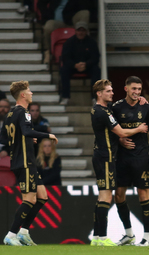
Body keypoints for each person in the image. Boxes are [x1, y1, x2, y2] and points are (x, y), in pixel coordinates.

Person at [90, 79, 148, 246]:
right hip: (105, 157)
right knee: (106, 197)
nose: (112, 93)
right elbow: (121, 131)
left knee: (102, 197)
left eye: (112, 90)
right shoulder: (103, 112)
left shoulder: (99, 110)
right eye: (108, 91)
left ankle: (95, 238)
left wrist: (141, 100)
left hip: (102, 156)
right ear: (99, 94)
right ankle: (102, 238)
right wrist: (139, 129)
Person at [0, 80, 58, 246]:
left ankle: (24, 232)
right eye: (29, 91)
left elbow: (4, 139)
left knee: (42, 197)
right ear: (23, 95)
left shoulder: (9, 115)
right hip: (25, 162)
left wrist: (23, 139)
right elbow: (26, 130)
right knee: (29, 199)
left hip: (21, 161)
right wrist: (48, 135)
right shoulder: (24, 112)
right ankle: (11, 235)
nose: (32, 93)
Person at [111, 76, 149, 246]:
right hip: (122, 158)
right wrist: (119, 140)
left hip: (141, 157)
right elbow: (110, 131)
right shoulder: (116, 107)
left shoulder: (146, 107)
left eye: (139, 89)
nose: (137, 92)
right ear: (126, 88)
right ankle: (129, 234)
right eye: (134, 89)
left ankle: (147, 237)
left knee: (143, 195)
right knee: (118, 195)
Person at [59, 21, 101, 105]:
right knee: (64, 70)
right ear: (75, 31)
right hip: (73, 66)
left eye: (83, 30)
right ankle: (65, 97)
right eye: (79, 30)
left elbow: (95, 57)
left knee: (96, 70)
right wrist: (74, 65)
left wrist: (86, 64)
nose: (81, 32)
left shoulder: (92, 42)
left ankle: (94, 98)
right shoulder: (69, 42)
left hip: (88, 67)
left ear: (86, 31)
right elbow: (65, 58)